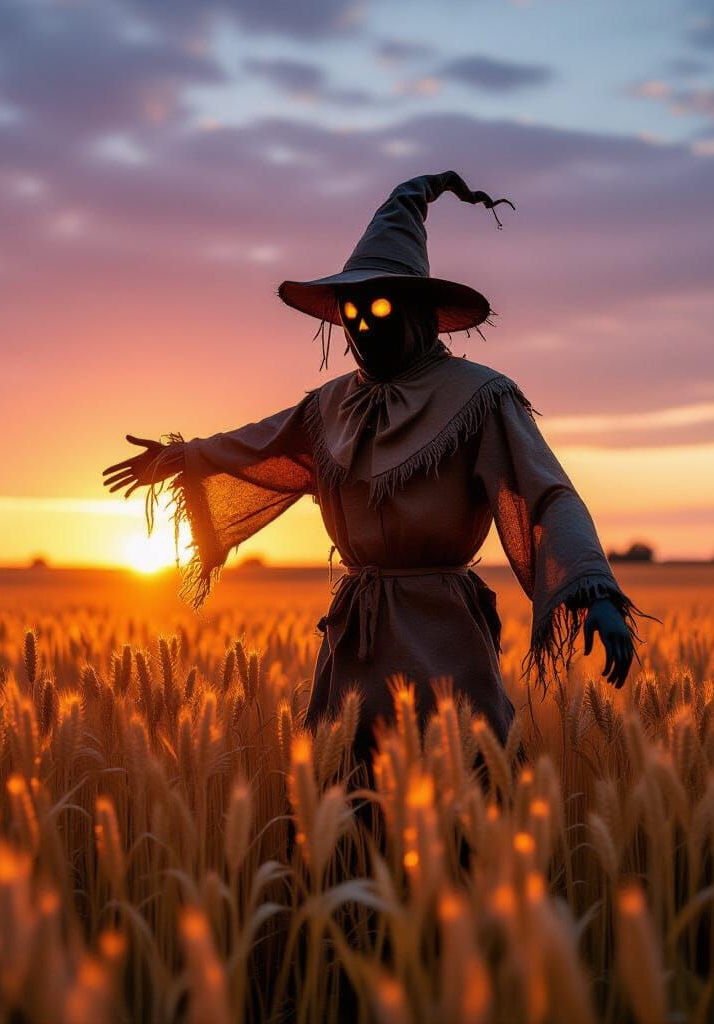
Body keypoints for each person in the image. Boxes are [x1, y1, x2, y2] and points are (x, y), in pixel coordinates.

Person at [103, 171, 648, 762]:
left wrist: (591, 588)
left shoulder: (480, 397)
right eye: (352, 310)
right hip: (356, 638)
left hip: (443, 634)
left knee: (466, 777)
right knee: (346, 794)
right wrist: (181, 457)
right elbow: (258, 446)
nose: (364, 323)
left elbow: (547, 496)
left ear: (416, 310)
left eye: (380, 306)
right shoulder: (330, 405)